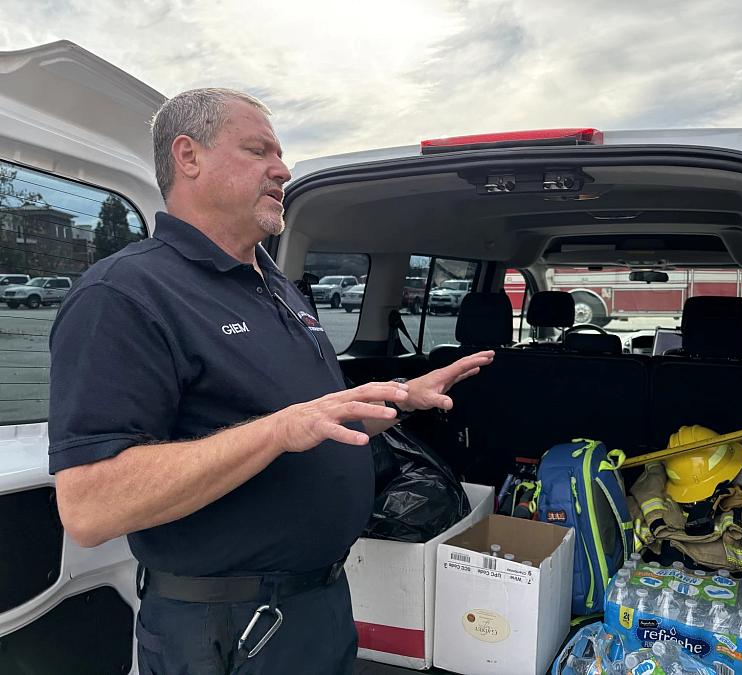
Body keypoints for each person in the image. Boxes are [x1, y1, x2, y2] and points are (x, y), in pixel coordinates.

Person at [48, 88, 493, 674]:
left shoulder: (274, 285)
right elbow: (90, 506)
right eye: (259, 150)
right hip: (227, 630)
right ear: (189, 157)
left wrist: (395, 399)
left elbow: (304, 420)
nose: (281, 169)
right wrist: (280, 430)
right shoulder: (125, 295)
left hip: (317, 604)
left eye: (279, 154)